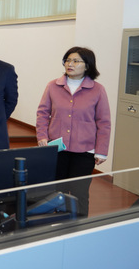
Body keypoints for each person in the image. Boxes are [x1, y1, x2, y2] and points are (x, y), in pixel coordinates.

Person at [36, 47, 111, 216]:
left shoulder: (98, 89)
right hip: (58, 148)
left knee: (79, 193)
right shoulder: (53, 86)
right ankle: (56, 223)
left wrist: (102, 150)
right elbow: (42, 113)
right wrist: (42, 136)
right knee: (57, 191)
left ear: (87, 65)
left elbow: (104, 122)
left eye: (76, 61)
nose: (70, 64)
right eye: (68, 60)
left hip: (84, 151)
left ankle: (80, 226)